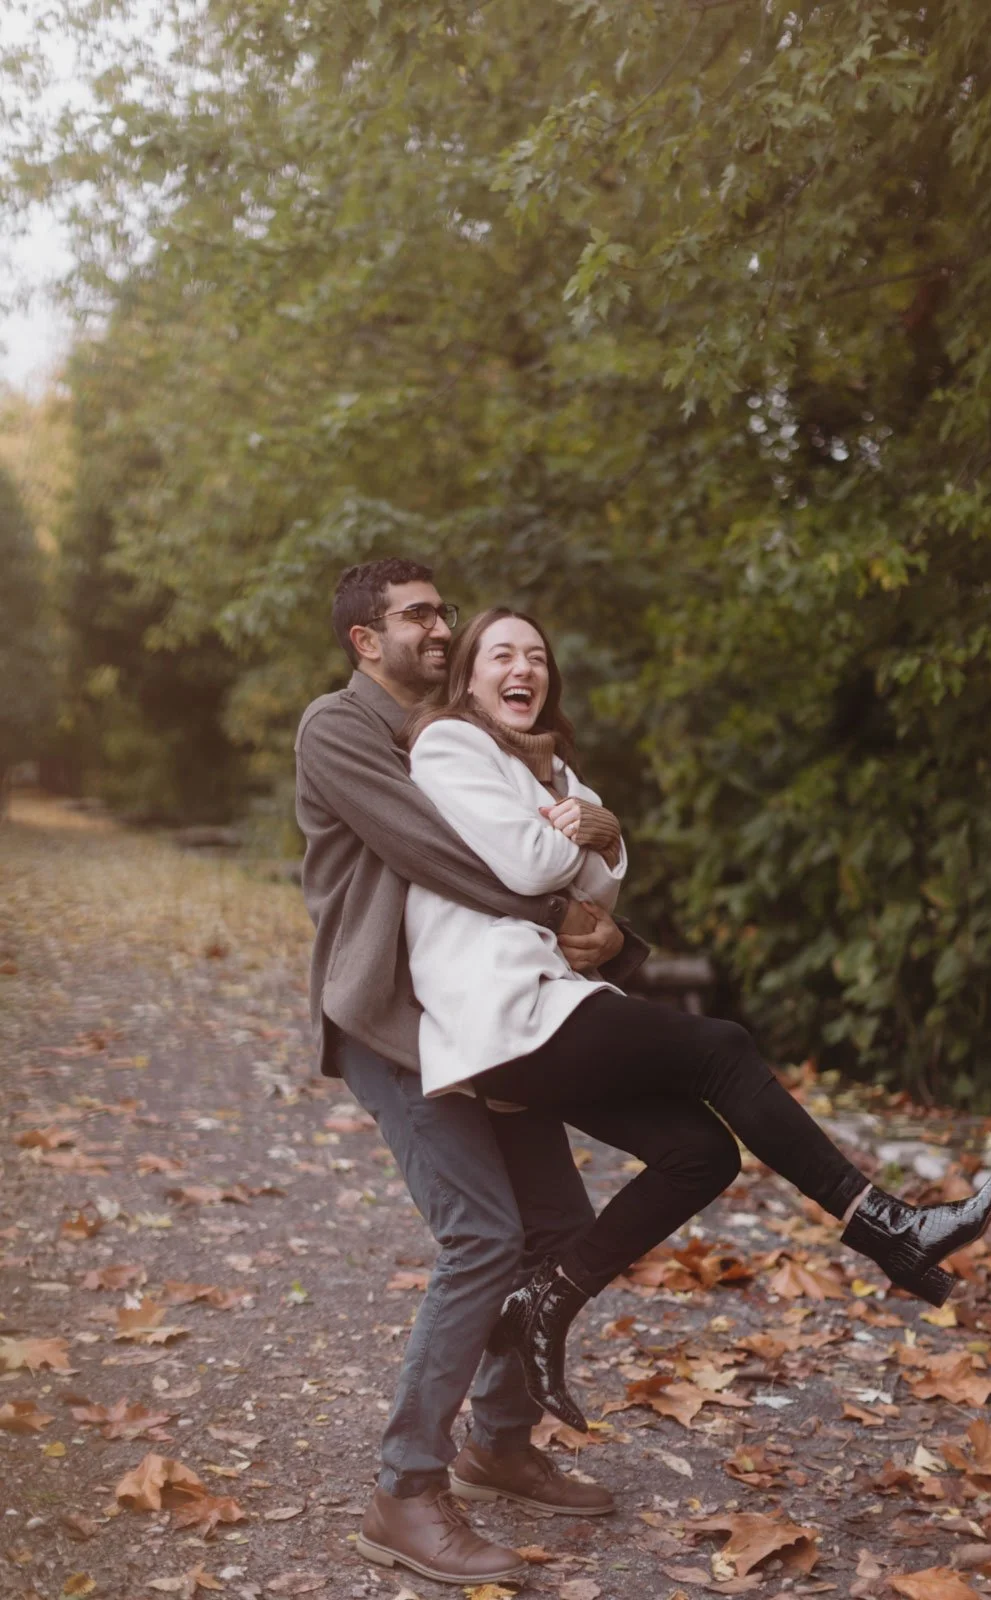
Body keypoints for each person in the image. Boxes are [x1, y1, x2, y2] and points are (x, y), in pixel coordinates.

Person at [400, 605, 991, 1437]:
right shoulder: (449, 745)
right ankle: (886, 1227)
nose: (524, 668)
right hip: (497, 1011)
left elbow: (603, 881)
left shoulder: (553, 773)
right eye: (501, 654)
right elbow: (533, 861)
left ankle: (543, 1301)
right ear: (469, 676)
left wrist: (591, 832)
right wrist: (586, 838)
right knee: (719, 1046)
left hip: (545, 1006)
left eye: (538, 656)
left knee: (701, 1154)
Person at [294, 559, 654, 1589]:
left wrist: (599, 916)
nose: (440, 627)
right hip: (394, 1025)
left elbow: (557, 835)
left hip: (482, 1018)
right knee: (483, 1235)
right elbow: (431, 852)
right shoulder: (339, 729)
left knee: (558, 1227)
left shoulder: (464, 733)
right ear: (366, 639)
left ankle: (496, 1437)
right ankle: (404, 1487)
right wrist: (569, 921)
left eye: (445, 611)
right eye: (417, 615)